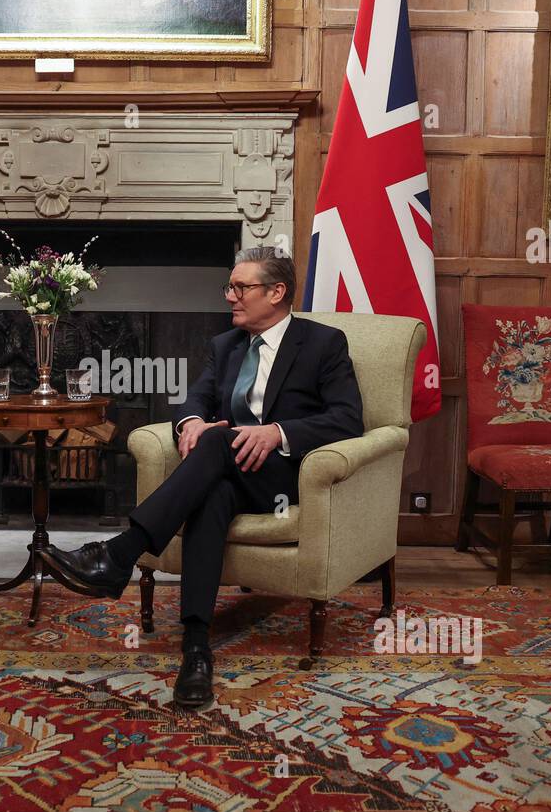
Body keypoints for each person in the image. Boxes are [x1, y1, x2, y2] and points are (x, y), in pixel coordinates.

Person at [42, 247, 364, 708]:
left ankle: (120, 552)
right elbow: (193, 403)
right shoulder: (225, 346)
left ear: (277, 293)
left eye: (241, 287)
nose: (230, 296)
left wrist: (278, 433)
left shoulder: (322, 343)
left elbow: (348, 420)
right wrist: (188, 423)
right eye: (229, 287)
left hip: (285, 479)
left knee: (216, 443)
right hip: (229, 472)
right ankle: (196, 650)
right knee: (211, 492)